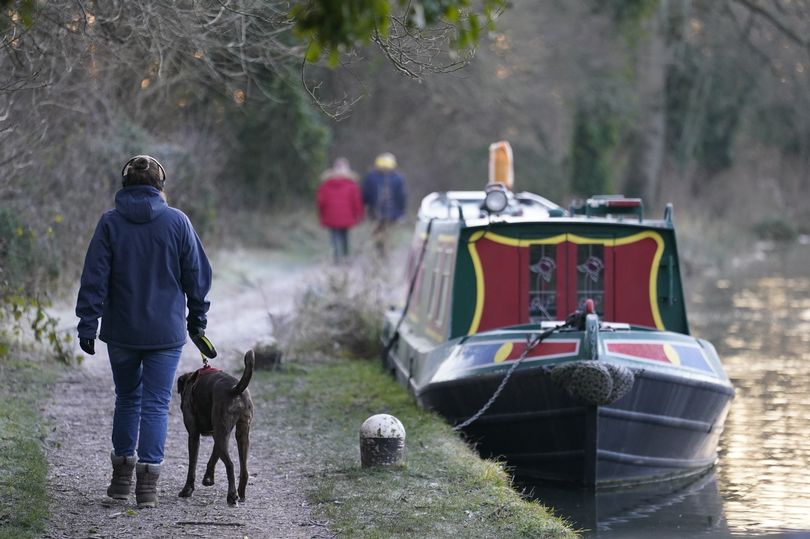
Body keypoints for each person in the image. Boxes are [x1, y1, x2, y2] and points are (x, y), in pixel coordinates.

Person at [75, 155, 213, 508]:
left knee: (127, 399)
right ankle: (147, 489)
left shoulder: (109, 223)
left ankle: (121, 483)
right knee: (154, 403)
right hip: (165, 334)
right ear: (160, 184)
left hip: (121, 332)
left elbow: (94, 277)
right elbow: (196, 277)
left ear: (125, 184)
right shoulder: (178, 222)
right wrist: (197, 320)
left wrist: (88, 323)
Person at [316, 157, 364, 262]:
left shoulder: (325, 184)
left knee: (334, 237)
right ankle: (346, 257)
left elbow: (321, 202)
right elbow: (356, 202)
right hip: (347, 217)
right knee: (345, 237)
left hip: (330, 216)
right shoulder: (352, 185)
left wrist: (321, 215)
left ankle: (336, 258)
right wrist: (359, 215)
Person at [361, 152, 407, 255]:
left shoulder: (371, 177)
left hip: (375, 214)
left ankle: (380, 255)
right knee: (388, 236)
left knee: (377, 237)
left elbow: (365, 196)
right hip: (392, 215)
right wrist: (401, 212)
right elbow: (402, 197)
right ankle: (385, 255)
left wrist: (366, 208)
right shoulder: (398, 178)